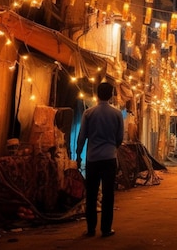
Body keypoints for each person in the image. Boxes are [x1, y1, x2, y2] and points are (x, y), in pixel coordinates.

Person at [76, 82, 124, 238]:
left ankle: (90, 229)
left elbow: (82, 136)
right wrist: (112, 147)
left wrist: (78, 154)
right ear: (111, 95)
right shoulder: (117, 114)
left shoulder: (88, 113)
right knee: (108, 194)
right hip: (109, 157)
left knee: (91, 194)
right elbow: (119, 138)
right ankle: (106, 229)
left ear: (97, 94)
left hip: (93, 158)